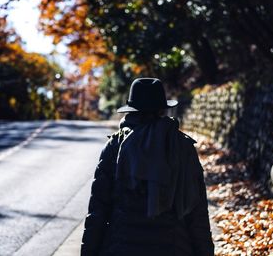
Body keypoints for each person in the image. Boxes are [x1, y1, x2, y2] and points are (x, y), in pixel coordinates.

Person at [81, 78, 214, 256]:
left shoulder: (115, 147)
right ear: (162, 109)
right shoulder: (182, 146)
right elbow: (197, 214)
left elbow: (98, 211)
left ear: (131, 111)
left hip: (121, 247)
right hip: (174, 247)